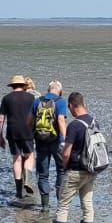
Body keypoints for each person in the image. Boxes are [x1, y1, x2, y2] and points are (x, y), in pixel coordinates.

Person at [48, 91, 103, 223]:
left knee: (63, 206)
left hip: (75, 171)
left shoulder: (74, 125)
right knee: (87, 206)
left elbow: (66, 152)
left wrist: (65, 166)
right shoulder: (94, 122)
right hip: (91, 170)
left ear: (71, 106)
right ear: (83, 103)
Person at [0, 76, 39, 199]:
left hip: (12, 131)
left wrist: (0, 136)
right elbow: (36, 115)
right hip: (28, 130)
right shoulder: (31, 97)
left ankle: (18, 191)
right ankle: (27, 180)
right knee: (30, 156)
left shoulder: (6, 98)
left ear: (12, 86)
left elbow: (1, 119)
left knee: (16, 159)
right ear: (23, 85)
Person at [32, 80, 68, 209]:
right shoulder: (61, 101)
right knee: (62, 170)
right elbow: (60, 120)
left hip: (40, 140)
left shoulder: (37, 101)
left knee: (43, 173)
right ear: (59, 90)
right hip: (56, 140)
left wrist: (32, 135)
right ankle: (60, 203)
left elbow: (30, 120)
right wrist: (65, 139)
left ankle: (45, 206)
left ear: (49, 89)